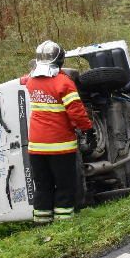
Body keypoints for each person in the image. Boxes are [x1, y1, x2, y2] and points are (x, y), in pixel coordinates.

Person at [26, 41, 96, 223]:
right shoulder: (64, 83)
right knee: (65, 185)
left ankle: (42, 223)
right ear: (60, 60)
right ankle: (64, 222)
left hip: (36, 147)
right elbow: (77, 112)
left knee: (42, 186)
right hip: (60, 145)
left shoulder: (31, 82)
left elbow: (24, 79)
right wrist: (88, 130)